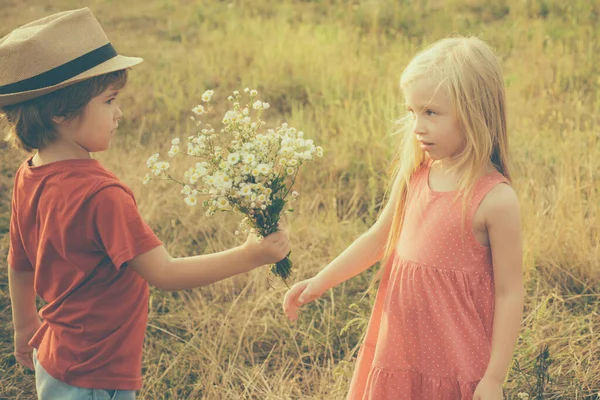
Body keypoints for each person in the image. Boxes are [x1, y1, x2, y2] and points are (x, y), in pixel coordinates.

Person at [2, 8, 290, 399]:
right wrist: (252, 254)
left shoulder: (28, 173)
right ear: (60, 113)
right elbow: (165, 273)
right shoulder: (102, 195)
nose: (119, 112)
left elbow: (18, 263)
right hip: (97, 375)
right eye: (109, 101)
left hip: (53, 359)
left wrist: (24, 330)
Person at [283, 36, 524, 400]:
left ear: (475, 111)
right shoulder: (417, 173)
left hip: (457, 361)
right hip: (401, 350)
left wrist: (494, 379)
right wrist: (321, 280)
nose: (417, 127)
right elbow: (380, 238)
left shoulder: (494, 199)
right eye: (412, 112)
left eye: (431, 112)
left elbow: (510, 293)